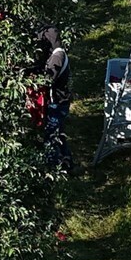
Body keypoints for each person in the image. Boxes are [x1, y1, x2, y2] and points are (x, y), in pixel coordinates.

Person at [29, 26, 73, 172]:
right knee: (58, 132)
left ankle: (53, 167)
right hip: (61, 100)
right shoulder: (58, 54)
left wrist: (29, 80)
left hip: (57, 102)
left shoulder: (57, 57)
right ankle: (67, 160)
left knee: (51, 133)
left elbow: (47, 80)